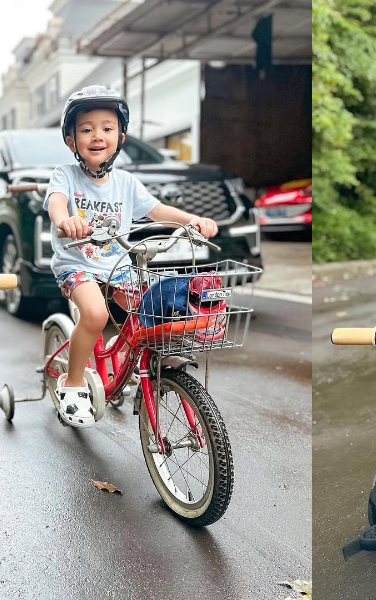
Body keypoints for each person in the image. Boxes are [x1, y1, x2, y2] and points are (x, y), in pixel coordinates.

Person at [45, 85, 218, 427]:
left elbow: (158, 210)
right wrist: (65, 221)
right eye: (86, 129)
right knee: (94, 314)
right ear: (71, 141)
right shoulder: (65, 175)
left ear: (120, 137)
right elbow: (56, 202)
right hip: (77, 265)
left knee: (153, 311)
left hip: (117, 267)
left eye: (107, 128)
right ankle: (74, 382)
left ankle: (149, 361)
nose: (98, 136)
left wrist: (192, 221)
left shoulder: (125, 182)